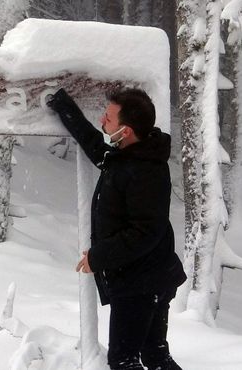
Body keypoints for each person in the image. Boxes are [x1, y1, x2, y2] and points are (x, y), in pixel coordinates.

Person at [47, 87, 186, 370]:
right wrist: (64, 106)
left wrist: (97, 258)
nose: (102, 122)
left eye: (108, 119)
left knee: (124, 360)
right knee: (154, 355)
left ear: (127, 131)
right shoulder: (130, 156)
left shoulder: (146, 172)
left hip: (142, 282)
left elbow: (144, 233)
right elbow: (96, 147)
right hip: (149, 277)